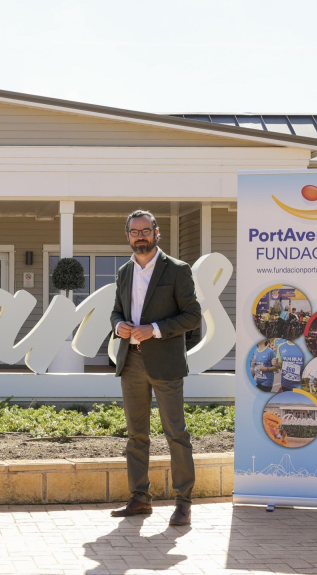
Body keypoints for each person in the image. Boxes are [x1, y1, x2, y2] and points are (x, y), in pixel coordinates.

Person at [109, 210, 202, 526]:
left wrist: (156, 329)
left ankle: (184, 503)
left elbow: (192, 316)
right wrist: (119, 325)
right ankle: (140, 499)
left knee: (176, 433)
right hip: (131, 361)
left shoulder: (177, 270)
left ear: (156, 232)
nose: (140, 236)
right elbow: (116, 312)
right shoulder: (124, 272)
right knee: (136, 435)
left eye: (145, 231)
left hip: (165, 363)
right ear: (128, 235)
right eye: (134, 232)